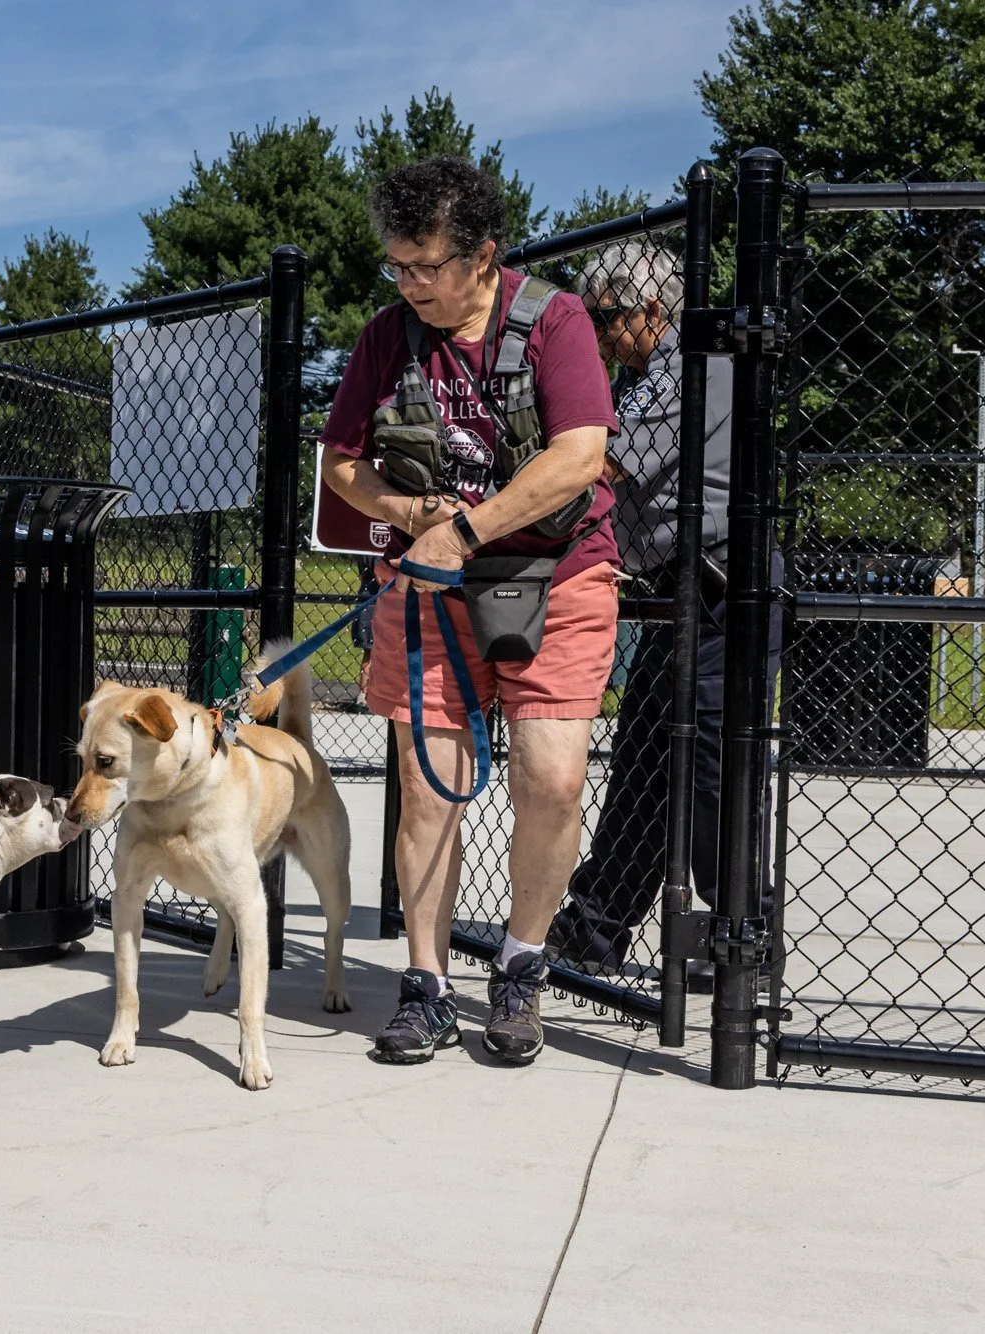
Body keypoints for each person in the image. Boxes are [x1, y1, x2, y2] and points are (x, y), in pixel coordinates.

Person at [320, 157, 620, 1066]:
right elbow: (341, 464)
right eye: (397, 267)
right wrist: (415, 518)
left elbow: (578, 455)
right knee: (427, 791)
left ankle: (522, 967)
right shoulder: (386, 338)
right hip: (428, 592)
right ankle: (427, 984)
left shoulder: (554, 321)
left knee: (552, 777)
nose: (409, 284)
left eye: (426, 266)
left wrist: (468, 530)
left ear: (484, 256)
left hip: (557, 576)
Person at [548, 241, 768, 989]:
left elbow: (597, 463)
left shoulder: (681, 367)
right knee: (644, 758)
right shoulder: (640, 371)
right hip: (679, 595)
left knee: (709, 767)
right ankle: (596, 925)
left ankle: (743, 930)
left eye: (606, 318)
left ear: (650, 309)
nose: (599, 335)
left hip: (720, 591)